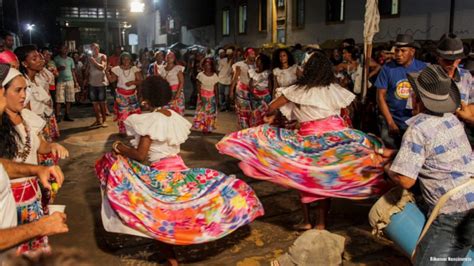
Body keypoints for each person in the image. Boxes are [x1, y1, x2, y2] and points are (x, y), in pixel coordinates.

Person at [95, 76, 264, 265]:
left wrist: (119, 147)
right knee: (181, 210)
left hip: (163, 174)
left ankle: (171, 259)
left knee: (157, 218)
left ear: (145, 100)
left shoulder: (148, 121)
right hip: (179, 168)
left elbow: (141, 155)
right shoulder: (172, 116)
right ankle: (175, 251)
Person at [217, 51, 389, 230]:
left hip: (309, 140)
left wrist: (274, 116)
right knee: (324, 181)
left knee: (304, 179)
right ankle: (321, 222)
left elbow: (271, 106)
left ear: (308, 69)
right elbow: (346, 109)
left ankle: (307, 220)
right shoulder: (334, 89)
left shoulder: (298, 90)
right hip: (334, 140)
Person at [385, 64, 473, 265]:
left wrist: (387, 170)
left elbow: (406, 180)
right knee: (455, 259)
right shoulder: (451, 119)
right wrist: (393, 154)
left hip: (452, 213)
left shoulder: (417, 128)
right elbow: (433, 155)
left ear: (417, 98)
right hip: (471, 202)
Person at [0, 66, 69, 255]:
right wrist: (36, 169)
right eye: (17, 90)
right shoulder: (2, 126)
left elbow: (40, 145)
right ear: (2, 92)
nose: (24, 95)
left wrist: (52, 147)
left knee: (34, 250)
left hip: (32, 195)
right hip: (10, 201)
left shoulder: (27, 117)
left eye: (25, 89)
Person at [375, 34, 427, 148]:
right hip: (392, 119)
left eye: (403, 51)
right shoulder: (387, 68)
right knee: (390, 151)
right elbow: (380, 97)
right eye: (397, 50)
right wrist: (390, 123)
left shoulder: (422, 68)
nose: (398, 54)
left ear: (412, 51)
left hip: (415, 122)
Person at [15, 45, 59, 143]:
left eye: (39, 56)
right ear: (24, 63)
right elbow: (27, 113)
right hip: (35, 127)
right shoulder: (24, 84)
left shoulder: (39, 78)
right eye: (34, 59)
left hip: (44, 121)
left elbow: (50, 79)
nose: (40, 60)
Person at [106, 52, 142, 135]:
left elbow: (140, 81)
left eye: (128, 59)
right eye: (124, 59)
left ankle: (134, 129)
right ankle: (123, 129)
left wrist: (133, 82)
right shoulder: (117, 69)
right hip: (121, 95)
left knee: (134, 113)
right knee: (123, 113)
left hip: (132, 95)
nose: (126, 60)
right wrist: (106, 71)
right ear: (121, 60)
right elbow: (112, 80)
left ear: (130, 60)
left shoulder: (134, 69)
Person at [230, 48, 256, 129]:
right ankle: (244, 128)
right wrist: (231, 90)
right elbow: (234, 78)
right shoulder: (240, 65)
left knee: (253, 110)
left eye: (254, 54)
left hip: (253, 91)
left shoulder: (257, 64)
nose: (253, 56)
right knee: (242, 110)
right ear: (246, 55)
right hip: (241, 90)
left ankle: (251, 128)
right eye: (251, 54)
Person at [84, 43, 109, 128]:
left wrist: (93, 61)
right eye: (92, 49)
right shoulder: (89, 58)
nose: (93, 50)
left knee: (102, 103)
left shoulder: (103, 56)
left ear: (98, 49)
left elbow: (102, 67)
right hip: (92, 83)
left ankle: (104, 120)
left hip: (101, 83)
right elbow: (87, 70)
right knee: (94, 104)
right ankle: (98, 120)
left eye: (95, 48)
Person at [192, 57, 219, 133]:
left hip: (212, 97)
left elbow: (216, 88)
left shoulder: (214, 75)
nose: (207, 67)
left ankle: (209, 127)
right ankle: (204, 127)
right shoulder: (200, 75)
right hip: (202, 96)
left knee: (211, 113)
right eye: (205, 65)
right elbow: (198, 87)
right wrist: (200, 97)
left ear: (212, 66)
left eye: (209, 65)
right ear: (203, 66)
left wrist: (217, 98)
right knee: (203, 113)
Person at [54, 44, 79, 122]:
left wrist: (76, 81)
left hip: (70, 80)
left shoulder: (70, 59)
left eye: (66, 49)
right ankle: (57, 115)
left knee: (69, 99)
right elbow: (53, 70)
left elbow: (73, 71)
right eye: (64, 48)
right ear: (60, 50)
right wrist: (58, 68)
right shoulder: (56, 59)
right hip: (60, 81)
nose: (65, 50)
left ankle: (67, 114)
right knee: (59, 99)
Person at [158, 51, 185, 115]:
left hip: (176, 92)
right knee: (166, 112)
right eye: (168, 57)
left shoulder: (177, 68)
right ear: (165, 58)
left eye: (171, 57)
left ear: (174, 58)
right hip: (165, 93)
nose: (169, 58)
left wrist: (178, 94)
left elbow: (181, 82)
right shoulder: (161, 68)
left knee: (177, 113)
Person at [249, 53, 272, 127]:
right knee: (255, 114)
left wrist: (269, 96)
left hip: (265, 96)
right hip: (254, 96)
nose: (256, 61)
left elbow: (270, 86)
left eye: (258, 60)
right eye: (256, 59)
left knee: (264, 115)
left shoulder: (267, 73)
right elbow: (250, 85)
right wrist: (253, 94)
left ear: (263, 61)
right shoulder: (252, 72)